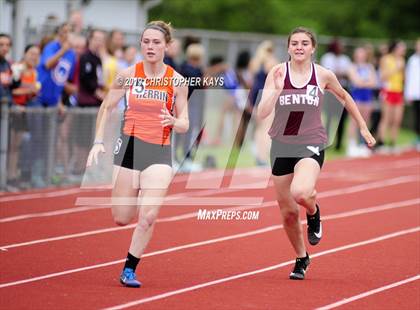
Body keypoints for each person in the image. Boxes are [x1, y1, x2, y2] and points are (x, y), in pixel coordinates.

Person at [257, 27, 376, 280]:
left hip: (311, 143)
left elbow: (345, 98)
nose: (299, 47)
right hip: (280, 145)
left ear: (313, 48)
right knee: (288, 213)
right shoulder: (277, 73)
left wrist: (363, 128)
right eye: (295, 43)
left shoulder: (322, 75)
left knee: (300, 192)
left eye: (304, 43)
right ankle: (301, 258)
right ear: (288, 47)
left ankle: (313, 211)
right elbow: (261, 113)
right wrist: (277, 91)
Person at [86, 21, 188, 287]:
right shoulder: (128, 74)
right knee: (121, 217)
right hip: (129, 148)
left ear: (167, 46)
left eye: (156, 42)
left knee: (149, 215)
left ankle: (129, 268)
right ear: (140, 44)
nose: (150, 47)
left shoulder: (177, 81)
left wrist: (174, 122)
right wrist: (98, 141)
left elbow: (185, 122)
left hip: (160, 151)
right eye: (146, 42)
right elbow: (107, 108)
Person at [346, 47, 377, 157]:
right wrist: (366, 82)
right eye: (358, 54)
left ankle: (362, 145)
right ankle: (351, 145)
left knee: (365, 121)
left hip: (367, 97)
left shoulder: (369, 67)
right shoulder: (352, 67)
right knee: (354, 121)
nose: (360, 56)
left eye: (362, 54)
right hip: (356, 97)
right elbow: (356, 82)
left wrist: (364, 82)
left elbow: (374, 82)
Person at [377, 41, 406, 152]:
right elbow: (383, 77)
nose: (403, 50)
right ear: (395, 48)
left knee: (397, 119)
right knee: (386, 118)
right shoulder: (386, 59)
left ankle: (393, 143)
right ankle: (382, 143)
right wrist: (396, 68)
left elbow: (403, 78)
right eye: (401, 48)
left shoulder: (402, 60)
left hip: (398, 91)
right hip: (388, 91)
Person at [404, 39, 420, 149]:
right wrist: (407, 93)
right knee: (417, 117)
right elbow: (408, 77)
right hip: (415, 94)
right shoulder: (412, 60)